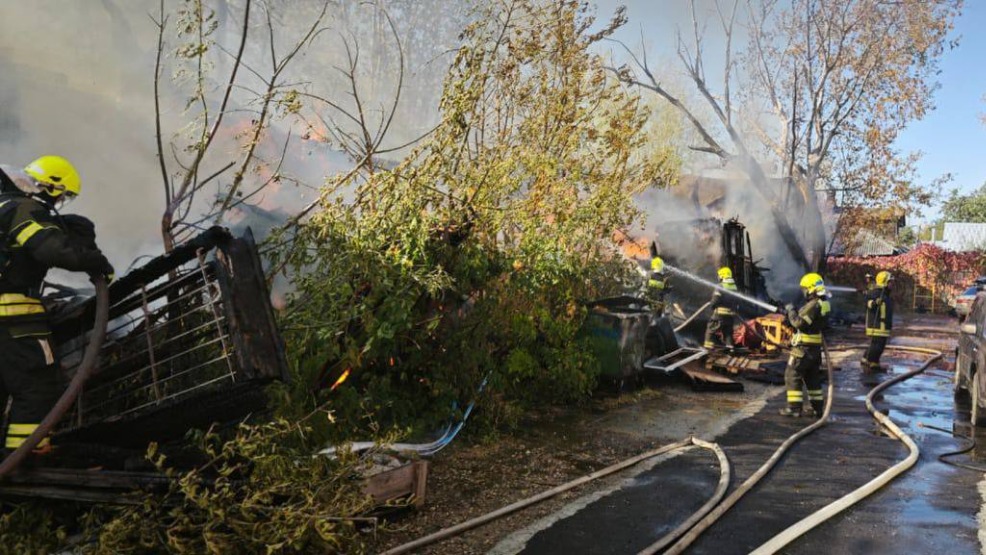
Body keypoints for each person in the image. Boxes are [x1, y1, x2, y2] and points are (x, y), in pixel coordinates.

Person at [0, 156, 113, 454]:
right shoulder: (23, 209)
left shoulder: (3, 205)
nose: (61, 202)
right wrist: (98, 263)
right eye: (62, 195)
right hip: (12, 316)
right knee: (37, 388)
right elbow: (53, 250)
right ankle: (24, 460)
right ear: (49, 186)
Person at [778, 272, 831, 418]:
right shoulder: (824, 303)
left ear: (811, 289)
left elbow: (799, 323)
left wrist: (791, 310)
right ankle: (817, 408)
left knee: (792, 374)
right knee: (812, 378)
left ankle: (794, 408)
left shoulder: (813, 305)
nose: (804, 292)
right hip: (814, 349)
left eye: (805, 289)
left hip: (803, 349)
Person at [863, 271, 893, 372]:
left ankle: (866, 359)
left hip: (882, 326)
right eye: (890, 282)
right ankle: (872, 363)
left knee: (876, 344)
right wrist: (875, 302)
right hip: (877, 325)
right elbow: (868, 303)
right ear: (884, 282)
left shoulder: (885, 294)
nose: (892, 284)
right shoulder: (875, 293)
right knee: (878, 346)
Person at [704, 266, 737, 350]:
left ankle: (708, 349)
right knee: (728, 334)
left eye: (719, 275)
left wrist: (712, 306)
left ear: (723, 275)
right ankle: (730, 349)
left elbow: (715, 300)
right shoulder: (733, 287)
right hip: (730, 317)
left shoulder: (720, 286)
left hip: (719, 316)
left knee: (710, 330)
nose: (718, 277)